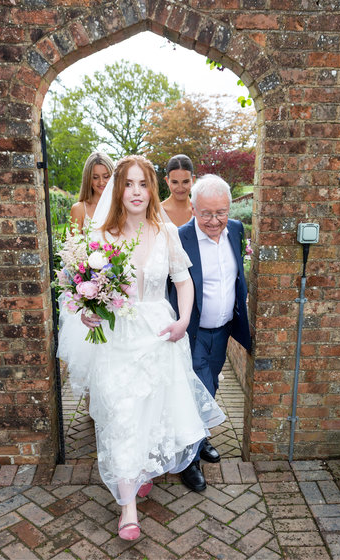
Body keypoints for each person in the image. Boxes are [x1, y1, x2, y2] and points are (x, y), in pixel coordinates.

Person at [57, 155, 225, 541]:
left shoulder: (165, 232)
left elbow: (183, 280)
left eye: (143, 184)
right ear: (118, 190)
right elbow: (86, 294)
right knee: (123, 415)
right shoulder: (99, 237)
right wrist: (87, 313)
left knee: (152, 410)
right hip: (117, 340)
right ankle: (128, 509)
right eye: (128, 184)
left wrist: (183, 320)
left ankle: (137, 474)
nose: (136, 191)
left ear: (152, 189)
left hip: (158, 335)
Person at [168, 174, 252, 492]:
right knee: (196, 389)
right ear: (193, 209)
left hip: (224, 329)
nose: (214, 220)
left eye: (221, 212)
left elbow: (237, 277)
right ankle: (190, 463)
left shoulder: (237, 232)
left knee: (211, 386)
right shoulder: (179, 238)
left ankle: (200, 440)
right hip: (193, 331)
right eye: (206, 213)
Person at [69, 151, 115, 231]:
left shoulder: (121, 206)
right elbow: (73, 243)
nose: (101, 182)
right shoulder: (79, 209)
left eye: (106, 176)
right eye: (95, 177)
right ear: (88, 179)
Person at [160, 154, 195, 227]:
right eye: (175, 182)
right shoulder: (155, 213)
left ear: (193, 180)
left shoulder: (200, 212)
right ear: (167, 181)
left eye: (185, 182)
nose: (180, 188)